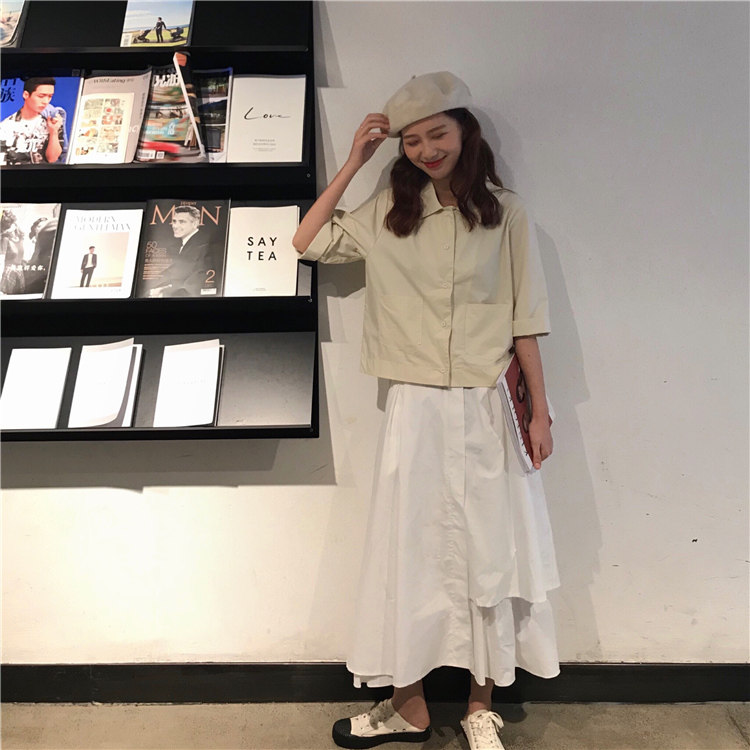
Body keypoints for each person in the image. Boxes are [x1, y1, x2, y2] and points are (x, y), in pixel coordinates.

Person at [293, 72, 560, 750]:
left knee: (488, 553)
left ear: (464, 131)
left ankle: (480, 705)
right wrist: (355, 160)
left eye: (437, 134)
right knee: (407, 551)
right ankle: (407, 705)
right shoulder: (391, 211)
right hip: (413, 405)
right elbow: (307, 240)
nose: (426, 150)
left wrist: (541, 412)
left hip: (486, 403)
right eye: (411, 141)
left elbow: (526, 319)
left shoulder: (506, 214)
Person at [147, 205, 211, 297]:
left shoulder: (203, 246)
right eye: (174, 221)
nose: (175, 226)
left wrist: (163, 293)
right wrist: (151, 290)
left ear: (195, 223)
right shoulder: (182, 245)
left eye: (182, 222)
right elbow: (170, 274)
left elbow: (195, 283)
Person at [0, 78, 65, 165]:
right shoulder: (6, 126)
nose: (46, 101)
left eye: (50, 96)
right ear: (26, 95)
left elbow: (52, 159)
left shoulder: (52, 122)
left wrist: (53, 132)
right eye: (41, 96)